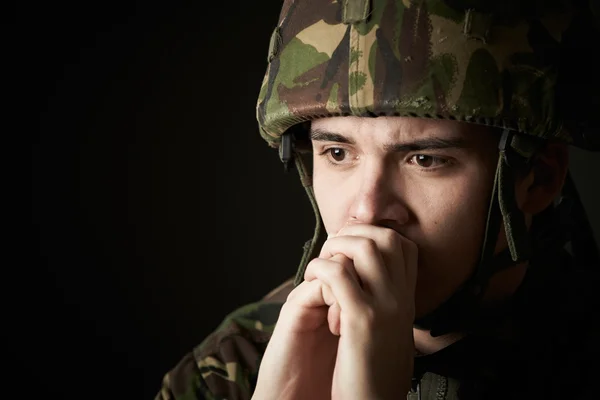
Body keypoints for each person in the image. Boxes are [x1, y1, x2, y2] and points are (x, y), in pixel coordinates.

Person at [155, 0, 600, 398]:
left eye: (425, 159)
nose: (367, 210)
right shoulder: (229, 370)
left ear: (538, 180)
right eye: (337, 153)